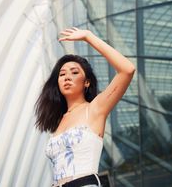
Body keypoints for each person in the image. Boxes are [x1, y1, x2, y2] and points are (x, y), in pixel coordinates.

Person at [34, 27, 135, 187]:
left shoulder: (95, 109)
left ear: (86, 82)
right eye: (62, 74)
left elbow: (127, 70)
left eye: (74, 72)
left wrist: (88, 36)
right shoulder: (60, 120)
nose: (67, 77)